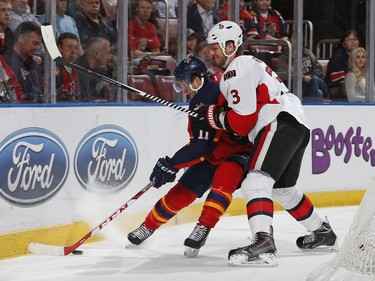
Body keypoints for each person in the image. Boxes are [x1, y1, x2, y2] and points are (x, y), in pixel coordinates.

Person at [193, 21, 338, 267]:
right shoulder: (248, 65)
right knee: (282, 189)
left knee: (255, 180)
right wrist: (218, 115)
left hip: (277, 122)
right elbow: (244, 119)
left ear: (230, 46)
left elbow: (242, 122)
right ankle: (322, 231)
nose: (211, 52)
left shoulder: (236, 68)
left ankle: (263, 240)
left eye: (215, 47)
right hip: (295, 124)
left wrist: (212, 116)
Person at [127, 55, 252, 257]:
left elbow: (202, 146)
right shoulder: (202, 96)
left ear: (197, 79)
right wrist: (173, 164)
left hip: (239, 153)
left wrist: (172, 164)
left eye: (184, 83)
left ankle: (202, 227)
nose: (182, 89)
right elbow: (202, 144)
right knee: (183, 190)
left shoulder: (208, 94)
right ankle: (148, 227)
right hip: (214, 153)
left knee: (222, 182)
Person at [277, 33, 327, 102]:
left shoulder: (308, 53)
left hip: (314, 81)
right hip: (298, 87)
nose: (298, 40)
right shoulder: (283, 57)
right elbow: (282, 75)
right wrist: (303, 78)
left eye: (299, 37)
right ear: (289, 40)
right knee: (319, 94)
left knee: (314, 80)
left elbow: (318, 68)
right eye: (295, 38)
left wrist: (312, 76)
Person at [3, 21, 43, 103]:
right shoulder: (6, 62)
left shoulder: (32, 63)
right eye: (34, 43)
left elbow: (37, 91)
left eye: (39, 44)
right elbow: (13, 95)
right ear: (20, 38)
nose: (37, 48)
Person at [76, 36, 114, 102]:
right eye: (107, 53)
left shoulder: (102, 70)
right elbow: (79, 98)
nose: (110, 57)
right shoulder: (76, 70)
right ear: (97, 54)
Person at [326, 29, 360, 101]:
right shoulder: (338, 57)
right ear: (343, 43)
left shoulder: (361, 55)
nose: (353, 42)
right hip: (338, 88)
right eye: (349, 40)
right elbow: (339, 81)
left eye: (355, 39)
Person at [55, 32, 80, 102]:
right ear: (59, 48)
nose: (73, 51)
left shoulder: (78, 69)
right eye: (69, 47)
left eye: (76, 48)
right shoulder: (52, 68)